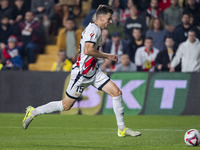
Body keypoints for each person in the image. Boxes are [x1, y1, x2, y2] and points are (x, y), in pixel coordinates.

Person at [22, 5, 141, 137]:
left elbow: (94, 27)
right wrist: (108, 56)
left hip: (94, 72)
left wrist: (100, 8)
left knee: (117, 93)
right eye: (109, 18)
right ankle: (33, 112)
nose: (111, 21)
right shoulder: (94, 30)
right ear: (101, 18)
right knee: (65, 106)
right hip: (82, 73)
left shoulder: (94, 26)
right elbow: (87, 50)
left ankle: (122, 129)